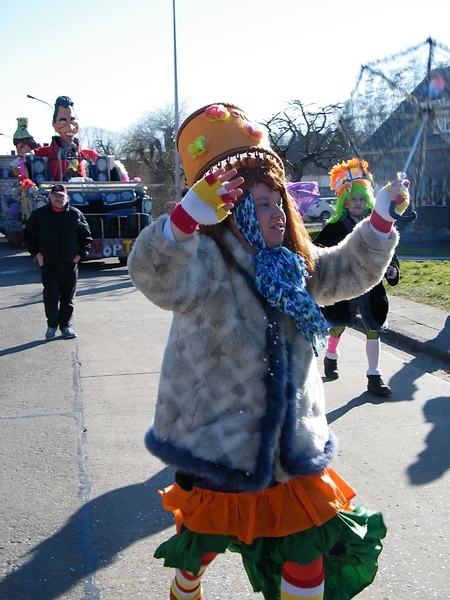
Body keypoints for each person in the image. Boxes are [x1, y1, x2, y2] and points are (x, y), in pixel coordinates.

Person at [128, 103, 410, 600]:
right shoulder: (207, 266)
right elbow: (154, 273)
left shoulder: (293, 263)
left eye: (278, 201)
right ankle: (185, 587)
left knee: (307, 561)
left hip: (291, 450)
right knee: (200, 551)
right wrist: (187, 216)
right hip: (221, 446)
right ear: (232, 212)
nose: (276, 211)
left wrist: (382, 218)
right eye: (260, 204)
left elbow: (346, 270)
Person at [314, 158, 400, 395]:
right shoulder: (334, 226)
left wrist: (393, 268)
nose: (358, 203)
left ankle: (374, 375)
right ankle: (331, 354)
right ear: (345, 201)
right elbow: (318, 254)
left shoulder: (377, 224)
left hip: (372, 287)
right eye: (353, 199)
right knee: (338, 326)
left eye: (362, 198)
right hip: (344, 286)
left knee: (373, 328)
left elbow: (389, 251)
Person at [22, 183, 92, 340]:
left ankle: (66, 326)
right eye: (55, 196)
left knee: (67, 299)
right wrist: (37, 254)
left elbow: (86, 238)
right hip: (48, 264)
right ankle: (52, 326)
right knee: (51, 297)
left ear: (66, 198)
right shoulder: (40, 215)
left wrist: (80, 255)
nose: (58, 199)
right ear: (50, 197)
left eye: (61, 196)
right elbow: (28, 236)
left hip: (69, 264)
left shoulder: (75, 215)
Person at [33, 95, 101, 181]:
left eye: (72, 120)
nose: (69, 127)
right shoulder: (45, 152)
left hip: (82, 192)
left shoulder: (84, 153)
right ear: (54, 123)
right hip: (56, 192)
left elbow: (103, 163)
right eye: (63, 121)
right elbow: (26, 158)